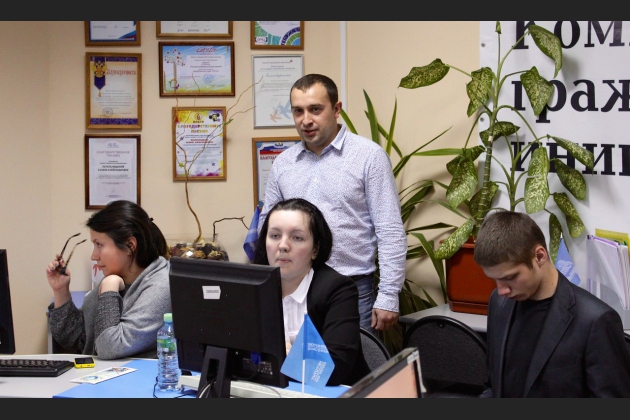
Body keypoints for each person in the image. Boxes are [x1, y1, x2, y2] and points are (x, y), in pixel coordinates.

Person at [259, 73, 407, 334]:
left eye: (315, 109)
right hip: (293, 291)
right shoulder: (283, 163)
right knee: (293, 358)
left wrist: (388, 295)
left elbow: (390, 229)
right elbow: (266, 225)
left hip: (352, 289)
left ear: (336, 109)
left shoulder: (369, 157)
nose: (306, 120)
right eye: (298, 111)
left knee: (352, 360)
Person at [474, 210, 630, 397]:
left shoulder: (595, 321)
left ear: (539, 256)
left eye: (510, 277)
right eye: (494, 280)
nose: (502, 290)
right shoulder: (499, 303)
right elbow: (493, 387)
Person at [254, 198, 372, 386]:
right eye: (275, 236)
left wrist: (281, 354)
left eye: (297, 238)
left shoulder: (338, 289)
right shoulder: (253, 287)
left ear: (315, 249)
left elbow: (334, 369)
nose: (283, 245)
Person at [46, 200, 171, 360]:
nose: (94, 256)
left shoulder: (161, 286)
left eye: (99, 244)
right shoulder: (117, 277)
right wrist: (61, 290)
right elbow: (75, 338)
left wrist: (109, 288)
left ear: (130, 245)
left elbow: (109, 347)